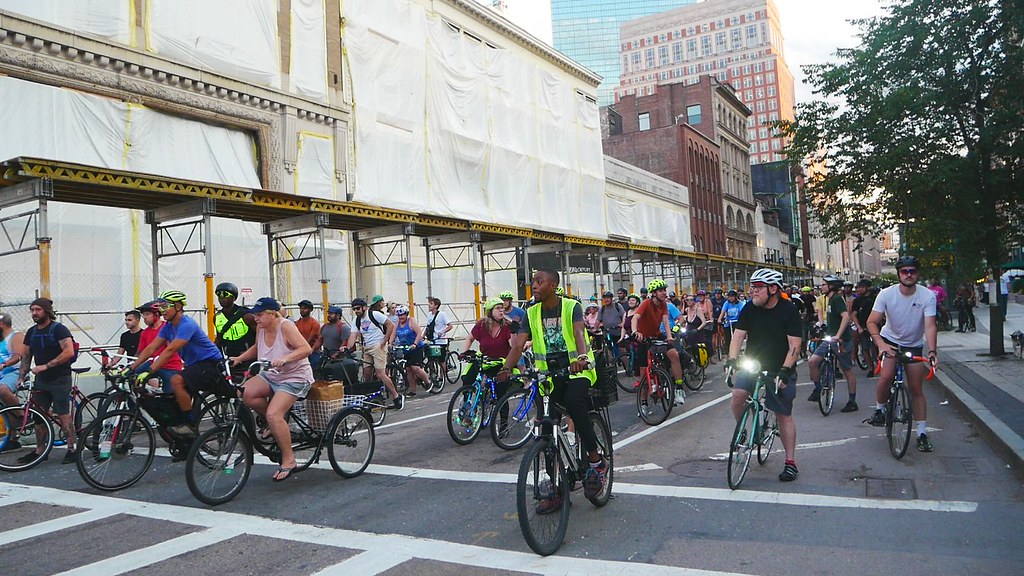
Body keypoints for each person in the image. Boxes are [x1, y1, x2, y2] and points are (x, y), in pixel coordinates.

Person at [497, 269, 606, 508]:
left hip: (579, 370)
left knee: (574, 401)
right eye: (533, 282)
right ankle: (555, 489)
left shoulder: (571, 306)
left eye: (539, 281)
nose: (533, 286)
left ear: (554, 285)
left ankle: (596, 461)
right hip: (549, 375)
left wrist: (581, 358)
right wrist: (506, 367)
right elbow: (517, 345)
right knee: (545, 427)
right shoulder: (531, 312)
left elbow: (578, 332)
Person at [725, 268, 803, 482]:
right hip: (754, 364)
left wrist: (786, 371)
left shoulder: (789, 310)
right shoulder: (750, 308)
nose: (752, 292)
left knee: (783, 414)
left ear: (773, 289)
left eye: (757, 288)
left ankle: (790, 462)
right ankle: (742, 430)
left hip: (779, 367)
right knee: (738, 395)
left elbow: (794, 346)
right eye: (752, 287)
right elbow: (738, 335)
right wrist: (732, 360)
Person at [229, 297, 313, 482]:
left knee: (274, 415)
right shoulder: (261, 327)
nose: (256, 318)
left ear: (273, 314)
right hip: (272, 375)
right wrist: (240, 358)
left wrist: (286, 359)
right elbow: (257, 347)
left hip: (294, 378)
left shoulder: (285, 327)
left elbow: (306, 349)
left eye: (259, 315)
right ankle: (275, 423)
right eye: (255, 315)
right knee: (244, 393)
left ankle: (289, 460)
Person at [129, 290, 230, 436]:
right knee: (171, 399)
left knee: (176, 380)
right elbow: (151, 348)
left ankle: (188, 424)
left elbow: (170, 350)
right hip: (194, 365)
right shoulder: (169, 326)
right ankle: (184, 440)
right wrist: (132, 368)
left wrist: (149, 371)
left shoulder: (186, 324)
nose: (162, 311)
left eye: (165, 307)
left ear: (177, 306)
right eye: (160, 307)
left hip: (210, 363)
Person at [865, 255, 938, 452]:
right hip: (889, 341)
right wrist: (881, 345)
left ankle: (922, 433)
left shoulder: (927, 296)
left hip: (913, 344)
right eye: (904, 271)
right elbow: (871, 322)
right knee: (886, 376)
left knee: (916, 388)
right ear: (898, 274)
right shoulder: (886, 294)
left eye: (912, 271)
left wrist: (932, 351)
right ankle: (880, 410)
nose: (908, 274)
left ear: (917, 273)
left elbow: (930, 326)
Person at [16, 298, 77, 464]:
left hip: (60, 378)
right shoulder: (31, 332)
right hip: (41, 381)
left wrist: (46, 366)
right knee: (38, 416)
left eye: (38, 310)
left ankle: (72, 449)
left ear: (47, 311)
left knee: (64, 415)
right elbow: (27, 356)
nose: (34, 313)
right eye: (32, 310)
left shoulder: (59, 330)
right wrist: (21, 377)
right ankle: (40, 451)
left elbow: (69, 351)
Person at [808, 275, 859, 413]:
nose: (821, 287)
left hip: (842, 341)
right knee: (813, 362)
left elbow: (845, 317)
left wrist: (839, 335)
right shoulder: (828, 299)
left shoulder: (836, 299)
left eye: (824, 284)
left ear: (832, 286)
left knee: (847, 369)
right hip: (830, 338)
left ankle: (852, 401)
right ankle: (818, 387)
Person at [632, 279, 687, 406]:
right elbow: (636, 317)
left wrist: (669, 336)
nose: (664, 293)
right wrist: (635, 332)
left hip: (657, 335)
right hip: (643, 337)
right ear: (654, 293)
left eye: (665, 290)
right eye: (661, 290)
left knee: (674, 354)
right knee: (643, 371)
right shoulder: (646, 303)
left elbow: (666, 321)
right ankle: (644, 403)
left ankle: (679, 389)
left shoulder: (664, 305)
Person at [345, 297, 403, 410]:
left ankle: (396, 397)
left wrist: (385, 340)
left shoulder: (374, 315)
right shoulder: (356, 321)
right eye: (354, 309)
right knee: (366, 375)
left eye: (358, 308)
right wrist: (346, 347)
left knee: (380, 374)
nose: (356, 311)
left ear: (364, 308)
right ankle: (373, 398)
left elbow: (390, 325)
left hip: (378, 346)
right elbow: (352, 336)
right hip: (367, 347)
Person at [460, 298, 513, 404]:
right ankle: (466, 404)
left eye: (502, 308)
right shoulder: (481, 325)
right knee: (467, 379)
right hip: (484, 360)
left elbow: (513, 346)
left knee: (501, 393)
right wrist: (464, 353)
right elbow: (469, 338)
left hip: (500, 362)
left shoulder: (507, 326)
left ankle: (503, 420)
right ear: (490, 312)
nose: (501, 310)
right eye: (498, 308)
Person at [134, 300, 184, 393]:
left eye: (147, 314)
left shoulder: (167, 327)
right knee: (132, 377)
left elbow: (171, 349)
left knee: (169, 395)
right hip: (153, 364)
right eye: (143, 315)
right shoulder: (144, 333)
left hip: (170, 366)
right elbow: (141, 352)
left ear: (156, 315)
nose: (144, 318)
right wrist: (131, 365)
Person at [213, 282, 255, 381]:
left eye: (226, 294)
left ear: (234, 298)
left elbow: (261, 338)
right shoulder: (217, 317)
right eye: (219, 294)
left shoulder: (247, 316)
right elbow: (219, 339)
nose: (221, 297)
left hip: (248, 359)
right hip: (230, 360)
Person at [391, 305, 430, 396]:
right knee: (408, 369)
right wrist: (390, 343)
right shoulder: (397, 323)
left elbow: (419, 333)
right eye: (399, 315)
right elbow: (393, 334)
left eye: (403, 315)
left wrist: (415, 344)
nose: (401, 317)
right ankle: (412, 390)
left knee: (415, 368)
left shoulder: (411, 321)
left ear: (406, 314)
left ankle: (428, 382)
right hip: (405, 348)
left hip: (416, 347)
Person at [850, 279, 878, 376]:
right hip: (863, 327)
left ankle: (880, 364)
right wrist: (859, 327)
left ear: (867, 288)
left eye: (861, 287)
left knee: (877, 346)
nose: (859, 289)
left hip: (876, 326)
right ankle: (871, 368)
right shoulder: (857, 301)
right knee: (865, 349)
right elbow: (853, 315)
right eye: (858, 287)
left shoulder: (875, 298)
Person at [317, 306, 352, 381]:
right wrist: (312, 350)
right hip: (326, 358)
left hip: (339, 360)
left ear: (338, 315)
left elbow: (344, 343)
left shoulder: (343, 327)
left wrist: (336, 354)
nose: (329, 315)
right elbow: (319, 340)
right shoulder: (325, 327)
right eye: (329, 313)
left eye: (331, 314)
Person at [0, 313, 25, 408]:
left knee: (2, 389)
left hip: (14, 372)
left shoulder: (16, 336)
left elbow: (18, 356)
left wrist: (4, 365)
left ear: (1, 324)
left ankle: (21, 416)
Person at [294, 300, 322, 368]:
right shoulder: (298, 323)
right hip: (301, 351)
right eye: (301, 308)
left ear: (310, 310)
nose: (302, 310)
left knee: (314, 369)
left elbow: (309, 340)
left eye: (304, 308)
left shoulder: (314, 324)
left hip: (313, 352)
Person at [717, 290, 745, 355]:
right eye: (729, 297)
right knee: (727, 337)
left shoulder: (740, 304)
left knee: (737, 336)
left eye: (732, 297)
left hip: (737, 321)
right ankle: (727, 352)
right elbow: (722, 312)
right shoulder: (727, 303)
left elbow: (742, 313)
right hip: (728, 322)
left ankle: (738, 348)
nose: (731, 298)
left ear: (735, 297)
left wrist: (742, 320)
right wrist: (719, 319)